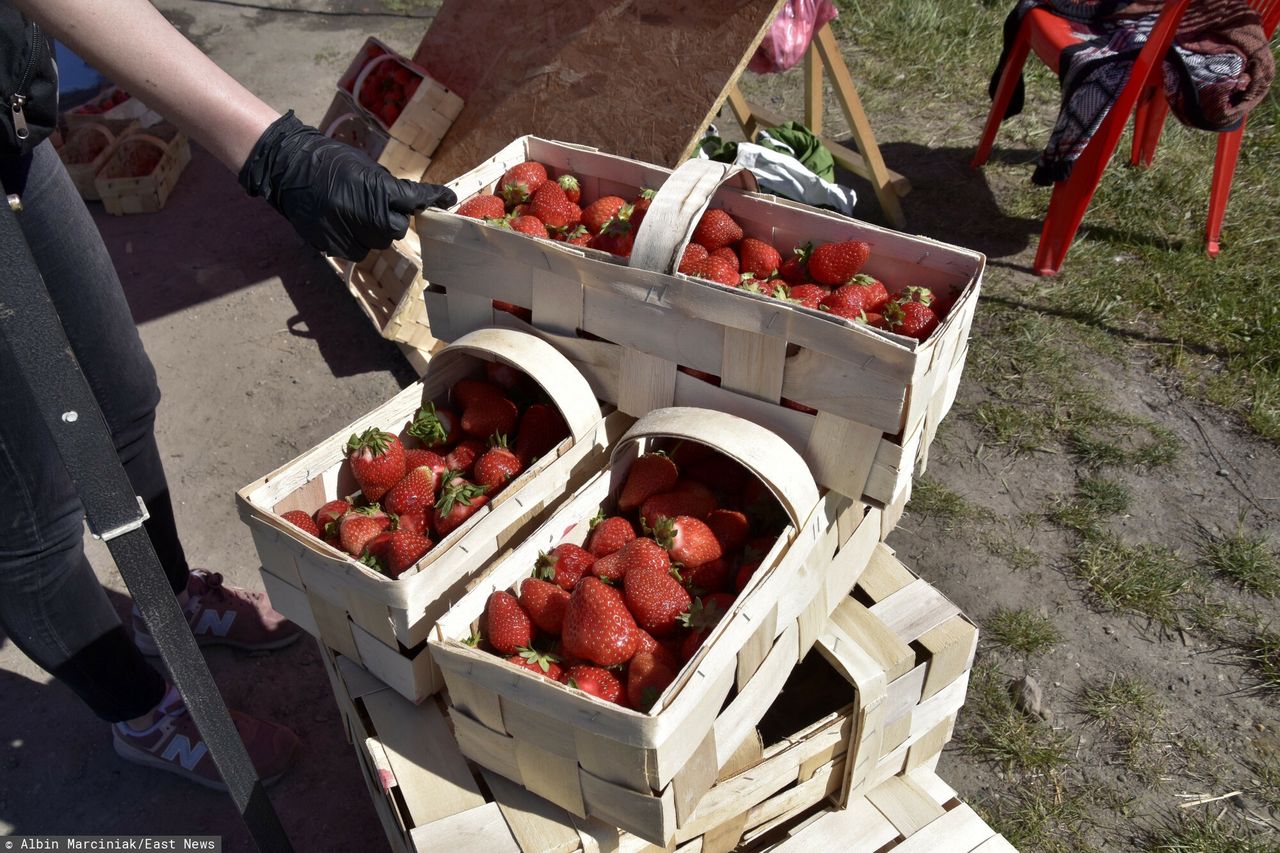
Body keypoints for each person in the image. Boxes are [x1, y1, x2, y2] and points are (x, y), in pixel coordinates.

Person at [0, 0, 455, 790]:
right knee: (30, 519)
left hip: (10, 142)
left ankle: (164, 601)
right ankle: (139, 713)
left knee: (121, 394)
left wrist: (277, 153)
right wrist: (272, 152)